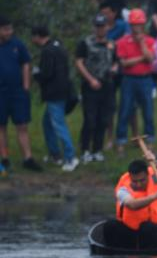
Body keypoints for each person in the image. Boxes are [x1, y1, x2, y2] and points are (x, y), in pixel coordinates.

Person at [30, 27, 78, 171]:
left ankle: (71, 157)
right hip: (64, 91)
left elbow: (47, 73)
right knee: (47, 123)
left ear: (38, 36)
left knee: (58, 125)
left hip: (55, 94)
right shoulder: (59, 46)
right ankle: (55, 154)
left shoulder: (47, 51)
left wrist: (36, 74)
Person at [110, 157, 157, 250]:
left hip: (154, 231)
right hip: (129, 232)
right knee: (110, 226)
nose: (138, 184)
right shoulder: (123, 188)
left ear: (147, 175)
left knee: (147, 228)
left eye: (142, 180)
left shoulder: (155, 179)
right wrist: (155, 196)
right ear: (130, 177)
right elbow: (132, 204)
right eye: (135, 181)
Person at [0, 18, 42, 173]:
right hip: (1, 92)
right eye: (5, 29)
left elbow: (26, 63)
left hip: (17, 91)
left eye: (10, 29)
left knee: (22, 124)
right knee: (1, 126)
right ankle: (4, 158)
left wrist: (26, 85)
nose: (9, 32)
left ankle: (28, 158)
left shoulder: (17, 45)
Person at [75, 14, 118, 164]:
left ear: (107, 27)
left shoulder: (111, 43)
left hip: (107, 84)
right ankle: (85, 149)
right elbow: (79, 62)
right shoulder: (85, 43)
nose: (100, 29)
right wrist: (90, 79)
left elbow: (115, 61)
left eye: (103, 26)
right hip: (90, 84)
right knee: (90, 118)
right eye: (98, 26)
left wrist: (114, 69)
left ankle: (97, 149)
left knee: (104, 118)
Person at [115, 9, 157, 153]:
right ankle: (120, 141)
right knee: (125, 109)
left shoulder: (150, 40)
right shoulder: (122, 42)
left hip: (146, 79)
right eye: (134, 24)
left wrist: (142, 44)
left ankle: (150, 140)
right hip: (129, 79)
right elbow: (124, 63)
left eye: (139, 24)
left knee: (148, 111)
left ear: (143, 25)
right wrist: (141, 58)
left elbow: (151, 59)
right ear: (130, 25)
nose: (136, 27)